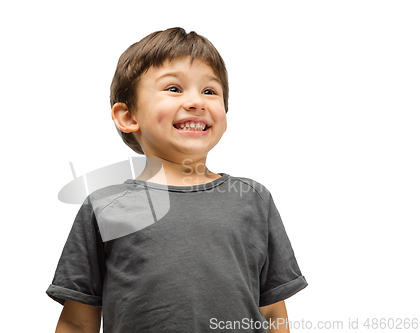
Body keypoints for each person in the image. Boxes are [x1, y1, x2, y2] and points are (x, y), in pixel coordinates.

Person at [46, 27, 308, 333]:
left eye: (210, 91)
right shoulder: (104, 207)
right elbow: (78, 321)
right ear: (128, 117)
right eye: (174, 88)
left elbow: (273, 310)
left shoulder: (253, 199)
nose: (197, 101)